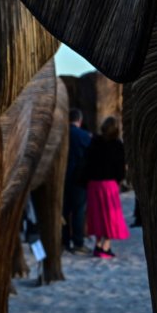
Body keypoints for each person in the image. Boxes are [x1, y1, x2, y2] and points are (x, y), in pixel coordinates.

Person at [83, 116, 129, 258]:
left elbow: (87, 163)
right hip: (109, 184)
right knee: (109, 216)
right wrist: (120, 180)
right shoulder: (117, 145)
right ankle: (106, 246)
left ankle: (97, 244)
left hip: (93, 184)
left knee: (97, 215)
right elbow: (120, 169)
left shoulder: (94, 142)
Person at [62, 108, 93, 255]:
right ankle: (78, 242)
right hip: (79, 179)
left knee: (64, 211)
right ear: (79, 120)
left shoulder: (61, 135)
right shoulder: (84, 136)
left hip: (63, 178)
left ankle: (64, 241)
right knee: (78, 211)